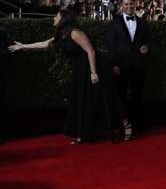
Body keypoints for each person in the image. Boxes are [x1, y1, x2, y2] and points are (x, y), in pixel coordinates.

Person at [8, 8, 122, 143]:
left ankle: (109, 129)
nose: (53, 19)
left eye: (56, 16)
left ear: (63, 19)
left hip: (93, 67)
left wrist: (93, 72)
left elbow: (91, 51)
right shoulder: (62, 34)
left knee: (91, 101)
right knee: (80, 101)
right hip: (80, 70)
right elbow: (45, 44)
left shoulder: (75, 32)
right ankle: (83, 134)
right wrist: (24, 46)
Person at [105, 0, 150, 139]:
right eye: (126, 4)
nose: (129, 6)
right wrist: (114, 64)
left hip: (138, 65)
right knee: (120, 96)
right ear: (122, 6)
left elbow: (150, 41)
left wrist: (147, 47)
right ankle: (123, 125)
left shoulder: (143, 23)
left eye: (131, 4)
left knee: (138, 95)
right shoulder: (115, 23)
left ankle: (139, 125)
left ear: (135, 4)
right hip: (121, 66)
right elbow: (110, 46)